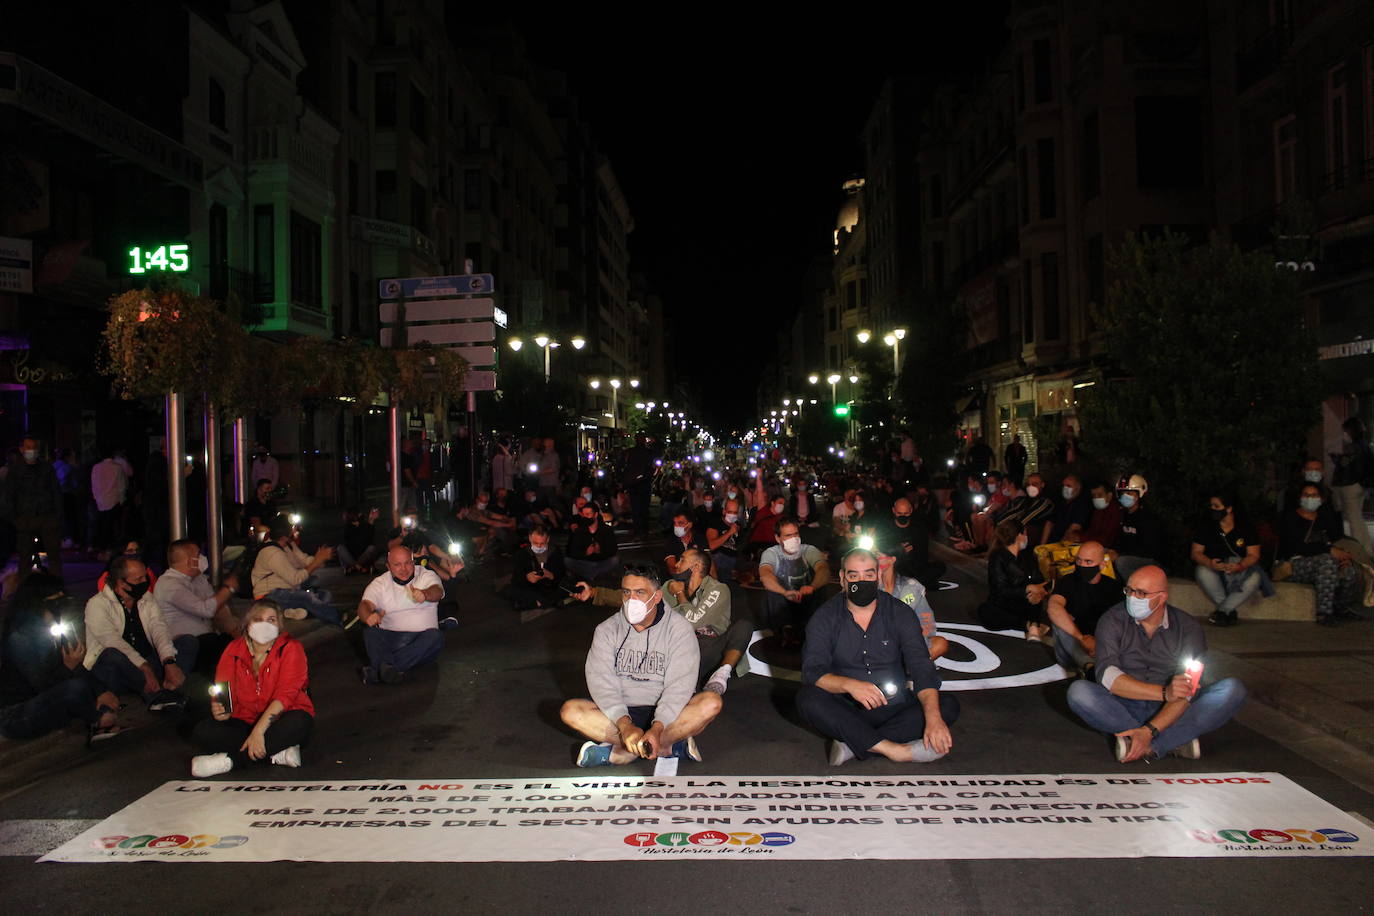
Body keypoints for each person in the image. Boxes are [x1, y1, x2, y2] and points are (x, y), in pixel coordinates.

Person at [1066, 566, 1247, 761]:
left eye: (1141, 593)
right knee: (1079, 692)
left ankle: (1143, 742)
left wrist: (1151, 728)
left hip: (1172, 708)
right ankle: (1174, 740)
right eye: (1129, 590)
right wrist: (1164, 692)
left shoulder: (1188, 627)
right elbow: (1108, 678)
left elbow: (1187, 690)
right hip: (1123, 702)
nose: (1133, 598)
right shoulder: (1112, 620)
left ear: (1161, 598)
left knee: (1232, 690)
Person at [796, 548, 959, 765]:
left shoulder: (900, 613)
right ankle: (895, 749)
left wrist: (933, 719)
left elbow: (922, 668)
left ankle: (854, 744)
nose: (861, 582)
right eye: (854, 576)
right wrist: (849, 685)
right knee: (807, 699)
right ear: (843, 579)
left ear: (878, 577)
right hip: (845, 708)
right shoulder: (825, 617)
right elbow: (812, 671)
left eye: (869, 575)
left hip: (894, 706)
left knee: (946, 705)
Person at [560, 564, 721, 766]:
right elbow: (600, 681)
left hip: (666, 714)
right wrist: (624, 724)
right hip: (620, 714)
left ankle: (624, 752)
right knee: (571, 711)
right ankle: (665, 747)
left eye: (640, 592)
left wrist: (658, 726)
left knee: (710, 703)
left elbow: (680, 686)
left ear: (657, 596)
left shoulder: (679, 630)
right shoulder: (606, 630)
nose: (631, 600)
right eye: (627, 592)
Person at [190, 599, 313, 776]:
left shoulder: (291, 648)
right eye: (258, 619)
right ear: (248, 624)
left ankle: (230, 761)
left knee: (300, 722)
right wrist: (222, 710)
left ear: (280, 625)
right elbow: (224, 689)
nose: (264, 624)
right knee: (203, 731)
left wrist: (259, 732)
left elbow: (286, 695)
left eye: (271, 620)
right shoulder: (233, 649)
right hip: (245, 720)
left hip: (283, 718)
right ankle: (276, 751)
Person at [1, 575, 122, 742]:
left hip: (47, 699)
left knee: (106, 666)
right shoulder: (21, 635)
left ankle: (99, 711)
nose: (61, 604)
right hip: (17, 713)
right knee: (75, 687)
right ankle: (98, 719)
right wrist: (68, 668)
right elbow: (39, 686)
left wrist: (101, 691)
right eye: (55, 599)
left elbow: (75, 666)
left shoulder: (51, 627)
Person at [83, 555, 190, 710]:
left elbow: (159, 628)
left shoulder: (146, 598)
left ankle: (171, 687)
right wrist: (143, 666)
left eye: (144, 577)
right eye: (138, 579)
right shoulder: (97, 604)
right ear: (121, 582)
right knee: (112, 654)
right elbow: (112, 641)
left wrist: (168, 662)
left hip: (148, 662)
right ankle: (155, 697)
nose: (145, 582)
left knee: (187, 642)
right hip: (120, 669)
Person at [663, 549, 752, 695]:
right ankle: (684, 684)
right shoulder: (670, 586)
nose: (677, 565)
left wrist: (680, 594)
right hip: (677, 648)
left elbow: (692, 622)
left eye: (682, 560)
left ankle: (721, 674)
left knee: (743, 626)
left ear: (696, 567)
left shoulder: (718, 589)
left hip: (709, 648)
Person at [358, 546, 445, 684]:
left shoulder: (426, 574)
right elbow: (364, 605)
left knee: (435, 637)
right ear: (388, 566)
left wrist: (425, 594)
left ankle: (380, 671)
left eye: (407, 563)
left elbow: (438, 591)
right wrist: (368, 616)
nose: (403, 569)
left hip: (421, 640)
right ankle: (389, 670)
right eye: (397, 565)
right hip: (391, 638)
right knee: (370, 631)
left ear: (413, 562)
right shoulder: (380, 583)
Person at [1279, 483, 1362, 626]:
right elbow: (1294, 547)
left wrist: (1342, 556)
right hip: (1297, 564)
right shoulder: (1290, 518)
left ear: (1322, 499)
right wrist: (1328, 550)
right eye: (1306, 495)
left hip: (1326, 562)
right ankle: (1324, 613)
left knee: (1349, 571)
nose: (1310, 498)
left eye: (1314, 495)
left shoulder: (1325, 518)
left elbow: (1336, 540)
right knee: (1327, 561)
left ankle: (1341, 607)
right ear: (1300, 498)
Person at [154, 539, 240, 677]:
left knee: (232, 645)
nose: (202, 559)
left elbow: (216, 605)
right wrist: (228, 588)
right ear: (190, 561)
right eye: (198, 555)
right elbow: (205, 609)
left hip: (206, 639)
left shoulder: (197, 579)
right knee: (218, 647)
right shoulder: (169, 584)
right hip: (185, 644)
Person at [1190, 492, 1264, 627]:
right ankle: (1228, 611)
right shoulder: (1206, 525)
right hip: (1216, 568)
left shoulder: (1246, 526)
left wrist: (1240, 566)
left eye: (1216, 506)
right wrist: (1209, 563)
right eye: (1211, 506)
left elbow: (1254, 555)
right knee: (1202, 571)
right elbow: (1196, 553)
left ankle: (1222, 612)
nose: (1213, 509)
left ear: (1229, 508)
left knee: (1255, 577)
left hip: (1239, 569)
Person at [1045, 541, 1118, 676]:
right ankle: (1089, 668)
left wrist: (1098, 643)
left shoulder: (1113, 587)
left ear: (1102, 565)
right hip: (1072, 649)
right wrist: (1081, 638)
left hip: (1102, 649)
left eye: (1088, 562)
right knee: (1060, 619)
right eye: (1079, 560)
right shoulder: (1068, 581)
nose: (1082, 566)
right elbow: (1054, 607)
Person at [250, 517, 340, 625]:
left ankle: (287, 611)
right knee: (307, 597)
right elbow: (295, 579)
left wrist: (320, 558)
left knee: (325, 594)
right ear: (284, 535)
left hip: (287, 588)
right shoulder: (272, 553)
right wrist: (317, 561)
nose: (294, 530)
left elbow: (304, 560)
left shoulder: (287, 545)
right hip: (269, 595)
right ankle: (339, 618)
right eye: (291, 528)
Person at [757, 518, 831, 643]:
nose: (794, 538)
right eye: (788, 535)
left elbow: (823, 569)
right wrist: (784, 592)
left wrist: (812, 587)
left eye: (796, 534)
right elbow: (765, 574)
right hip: (783, 603)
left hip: (806, 598)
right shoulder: (771, 553)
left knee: (820, 581)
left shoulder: (808, 550)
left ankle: (815, 628)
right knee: (774, 583)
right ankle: (786, 630)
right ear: (778, 538)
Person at [976, 519, 1050, 639]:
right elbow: (1001, 589)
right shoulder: (998, 557)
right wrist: (1026, 589)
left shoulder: (1028, 556)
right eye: (1025, 533)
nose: (1027, 537)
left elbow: (1039, 578)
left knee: (1037, 593)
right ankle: (1029, 626)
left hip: (1027, 602)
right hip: (1003, 604)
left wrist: (1039, 588)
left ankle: (1033, 624)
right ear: (1019, 536)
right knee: (985, 611)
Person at [7, 438, 65, 580]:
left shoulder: (46, 468)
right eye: (28, 447)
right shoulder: (15, 470)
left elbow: (56, 491)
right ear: (22, 449)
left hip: (47, 516)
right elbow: (9, 495)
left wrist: (57, 515)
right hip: (25, 518)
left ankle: (57, 586)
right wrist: (14, 518)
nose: (31, 451)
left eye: (33, 447)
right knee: (25, 555)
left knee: (54, 554)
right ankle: (24, 589)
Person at [877, 496, 945, 588]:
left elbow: (923, 556)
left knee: (939, 567)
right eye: (899, 513)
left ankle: (911, 583)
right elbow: (881, 550)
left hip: (914, 568)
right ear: (893, 511)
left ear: (911, 511)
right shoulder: (886, 528)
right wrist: (899, 551)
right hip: (894, 567)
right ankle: (915, 584)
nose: (902, 516)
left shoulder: (919, 528)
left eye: (906, 513)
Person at [1108, 474, 1163, 585]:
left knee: (1121, 562)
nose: (1125, 496)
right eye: (1122, 493)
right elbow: (1119, 539)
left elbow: (1149, 549)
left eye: (1129, 493)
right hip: (1128, 556)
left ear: (1139, 495)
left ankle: (1136, 588)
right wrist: (1112, 550)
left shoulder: (1148, 518)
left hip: (1149, 560)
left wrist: (1119, 555)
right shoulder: (1123, 515)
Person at [499, 525, 566, 611]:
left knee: (561, 590)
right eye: (535, 543)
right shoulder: (522, 553)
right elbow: (517, 577)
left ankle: (535, 602)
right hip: (529, 587)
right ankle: (541, 602)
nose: (538, 546)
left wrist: (551, 575)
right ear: (530, 538)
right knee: (512, 590)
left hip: (548, 586)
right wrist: (527, 577)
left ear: (548, 539)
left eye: (542, 543)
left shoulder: (555, 552)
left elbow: (562, 573)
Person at [1331, 417, 1373, 553]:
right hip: (1360, 486)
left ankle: (1360, 552)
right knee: (1357, 519)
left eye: (1345, 431)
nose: (1344, 434)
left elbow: (1344, 464)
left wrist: (1336, 459)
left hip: (1350, 485)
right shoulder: (1365, 445)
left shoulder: (1354, 448)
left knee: (1354, 521)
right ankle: (1367, 550)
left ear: (1351, 431)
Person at [565, 501, 620, 582]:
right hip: (585, 563)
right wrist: (586, 553)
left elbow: (613, 550)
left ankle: (591, 576)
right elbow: (572, 551)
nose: (586, 517)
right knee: (568, 561)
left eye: (588, 514)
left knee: (615, 560)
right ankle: (595, 575)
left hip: (601, 562)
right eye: (584, 514)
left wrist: (600, 551)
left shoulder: (606, 530)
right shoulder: (579, 531)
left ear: (596, 514)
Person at [88, 448, 128, 560]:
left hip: (100, 500)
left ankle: (101, 549)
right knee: (112, 527)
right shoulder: (117, 468)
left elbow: (93, 484)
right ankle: (111, 550)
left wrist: (96, 497)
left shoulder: (96, 467)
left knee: (101, 526)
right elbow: (122, 486)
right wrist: (122, 500)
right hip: (114, 500)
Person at [705, 497, 745, 584]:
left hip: (734, 559)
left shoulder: (738, 526)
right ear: (724, 511)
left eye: (735, 512)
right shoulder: (716, 523)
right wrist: (729, 532)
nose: (732, 515)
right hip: (719, 559)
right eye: (730, 512)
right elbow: (711, 546)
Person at [663, 511, 709, 577]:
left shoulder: (700, 538)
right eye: (674, 523)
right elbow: (671, 567)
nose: (676, 526)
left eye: (680, 523)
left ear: (690, 524)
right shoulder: (671, 540)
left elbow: (709, 563)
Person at [338, 507, 381, 574]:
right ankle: (358, 567)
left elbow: (369, 539)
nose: (361, 515)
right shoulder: (346, 528)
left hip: (362, 557)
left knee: (372, 548)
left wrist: (371, 519)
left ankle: (354, 567)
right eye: (359, 514)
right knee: (340, 548)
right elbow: (353, 545)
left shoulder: (363, 525)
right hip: (351, 557)